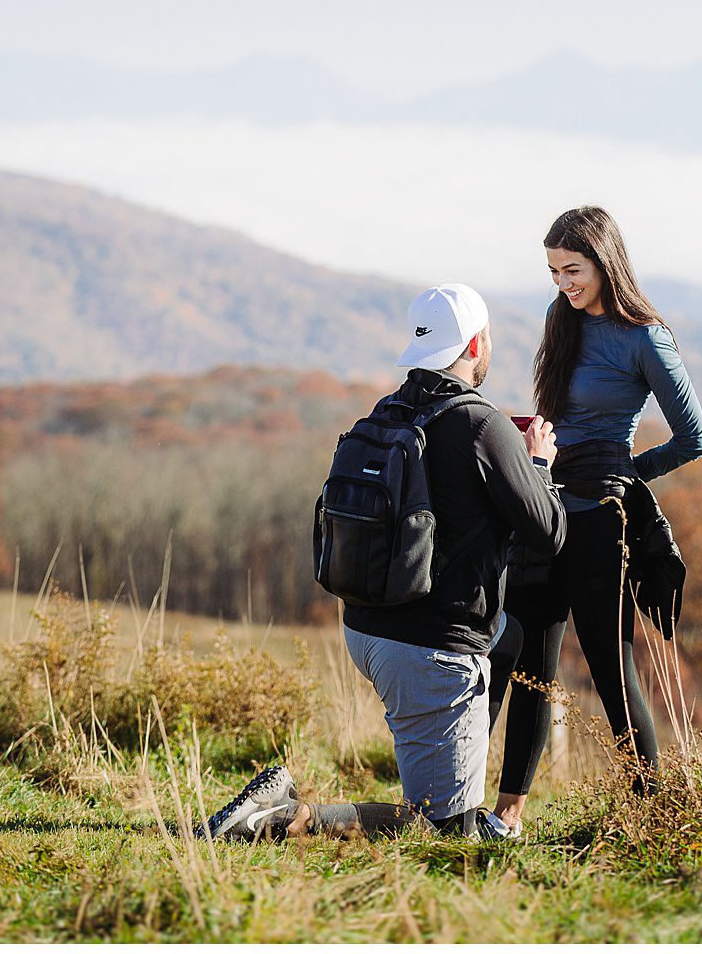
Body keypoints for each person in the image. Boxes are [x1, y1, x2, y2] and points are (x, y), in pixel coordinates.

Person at [199, 282, 565, 842]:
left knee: (508, 635)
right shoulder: (483, 427)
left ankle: (458, 750)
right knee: (444, 831)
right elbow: (548, 532)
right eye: (486, 339)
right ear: (474, 347)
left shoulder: (389, 412)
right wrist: (537, 463)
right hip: (430, 653)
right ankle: (280, 817)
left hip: (368, 631)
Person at [491, 206, 702, 835]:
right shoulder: (561, 320)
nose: (564, 283)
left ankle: (654, 814)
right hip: (546, 510)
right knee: (532, 663)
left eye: (574, 269)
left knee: (614, 671)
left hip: (600, 523)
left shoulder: (645, 337)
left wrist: (625, 473)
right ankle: (508, 816)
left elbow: (693, 437)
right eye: (555, 272)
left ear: (604, 262)